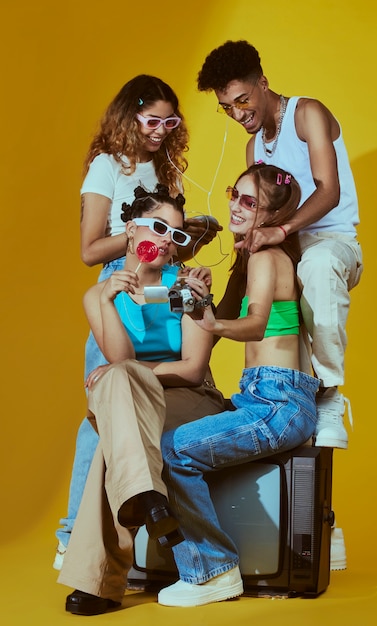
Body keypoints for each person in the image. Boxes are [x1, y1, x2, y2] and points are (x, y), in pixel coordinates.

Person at [54, 74, 221, 568]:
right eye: (153, 120)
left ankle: (141, 511)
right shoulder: (108, 167)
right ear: (130, 117)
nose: (162, 130)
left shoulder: (165, 169)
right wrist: (139, 237)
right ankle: (72, 534)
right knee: (101, 412)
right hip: (120, 283)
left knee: (141, 405)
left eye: (171, 121)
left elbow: (191, 364)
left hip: (164, 284)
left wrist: (182, 235)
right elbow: (88, 248)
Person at [157, 162, 320, 608]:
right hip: (259, 396)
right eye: (234, 194)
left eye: (249, 201)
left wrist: (215, 321)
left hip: (278, 400)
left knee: (176, 449)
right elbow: (219, 320)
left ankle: (213, 569)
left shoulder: (268, 258)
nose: (235, 205)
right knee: (171, 437)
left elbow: (256, 324)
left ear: (270, 213)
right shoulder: (251, 261)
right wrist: (201, 296)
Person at [58, 184, 226, 616]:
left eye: (176, 234)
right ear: (130, 230)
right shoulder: (97, 296)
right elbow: (120, 357)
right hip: (135, 401)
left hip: (189, 396)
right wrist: (111, 299)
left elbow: (191, 368)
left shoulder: (187, 286)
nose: (167, 240)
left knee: (114, 406)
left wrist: (129, 375)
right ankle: (149, 499)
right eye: (157, 227)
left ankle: (100, 581)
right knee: (116, 392)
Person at [197, 40, 363, 451]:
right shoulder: (255, 147)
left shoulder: (308, 113)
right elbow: (256, 215)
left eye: (242, 100)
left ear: (263, 83)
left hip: (329, 243)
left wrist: (281, 231)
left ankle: (329, 396)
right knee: (255, 286)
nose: (238, 114)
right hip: (285, 250)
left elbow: (329, 190)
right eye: (227, 107)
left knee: (318, 267)